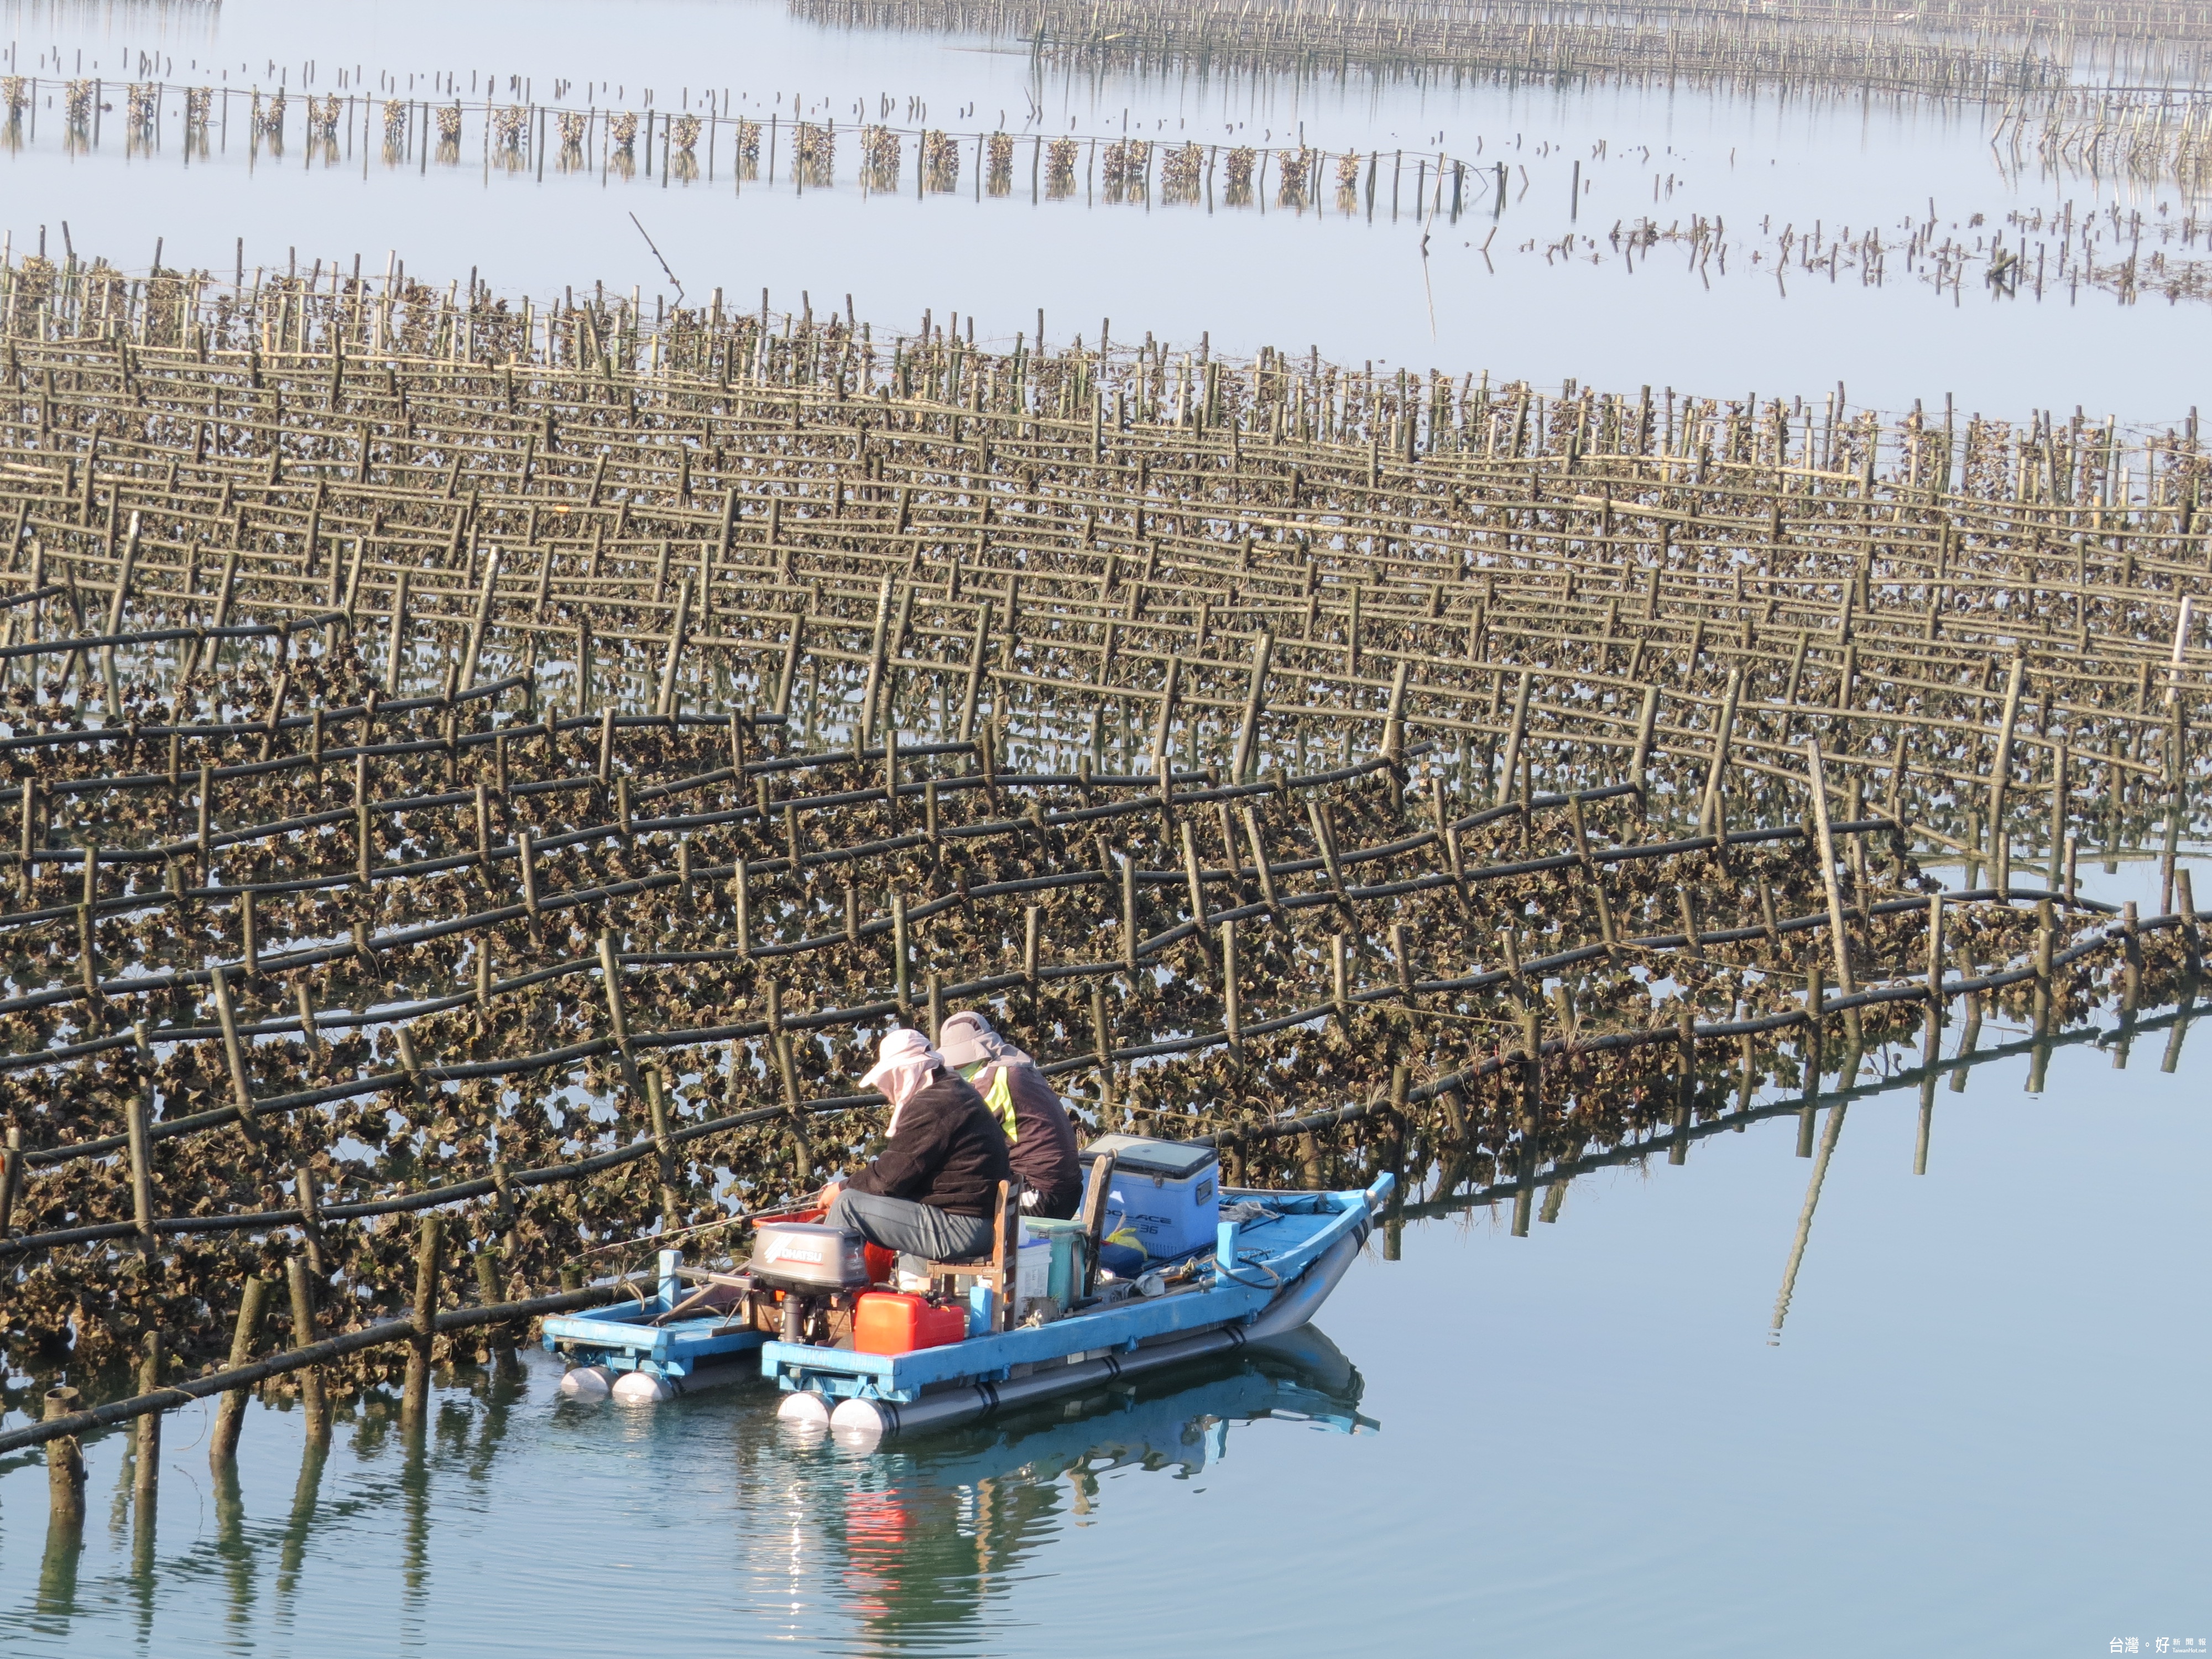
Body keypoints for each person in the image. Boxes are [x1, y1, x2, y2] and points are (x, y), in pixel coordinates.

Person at [822, 1027, 1013, 1262]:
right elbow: (904, 1172)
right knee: (869, 1199)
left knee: (847, 1204)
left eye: (891, 1077)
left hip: (962, 1229)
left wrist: (840, 1188)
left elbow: (888, 1179)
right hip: (980, 1222)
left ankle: (826, 1294)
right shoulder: (955, 1088)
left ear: (905, 1071)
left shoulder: (933, 1105)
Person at [934, 1010, 1083, 1220]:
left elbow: (962, 1133)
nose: (956, 1067)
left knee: (954, 1201)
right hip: (1066, 1191)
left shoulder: (994, 1080)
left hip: (1039, 1195)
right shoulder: (1020, 1068)